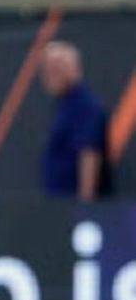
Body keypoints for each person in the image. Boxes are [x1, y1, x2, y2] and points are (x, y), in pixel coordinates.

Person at [40, 41, 111, 201]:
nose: (49, 76)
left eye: (56, 69)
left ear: (74, 69)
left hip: (73, 204)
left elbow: (88, 153)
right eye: (46, 70)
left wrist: (84, 203)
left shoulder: (84, 106)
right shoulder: (63, 106)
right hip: (59, 202)